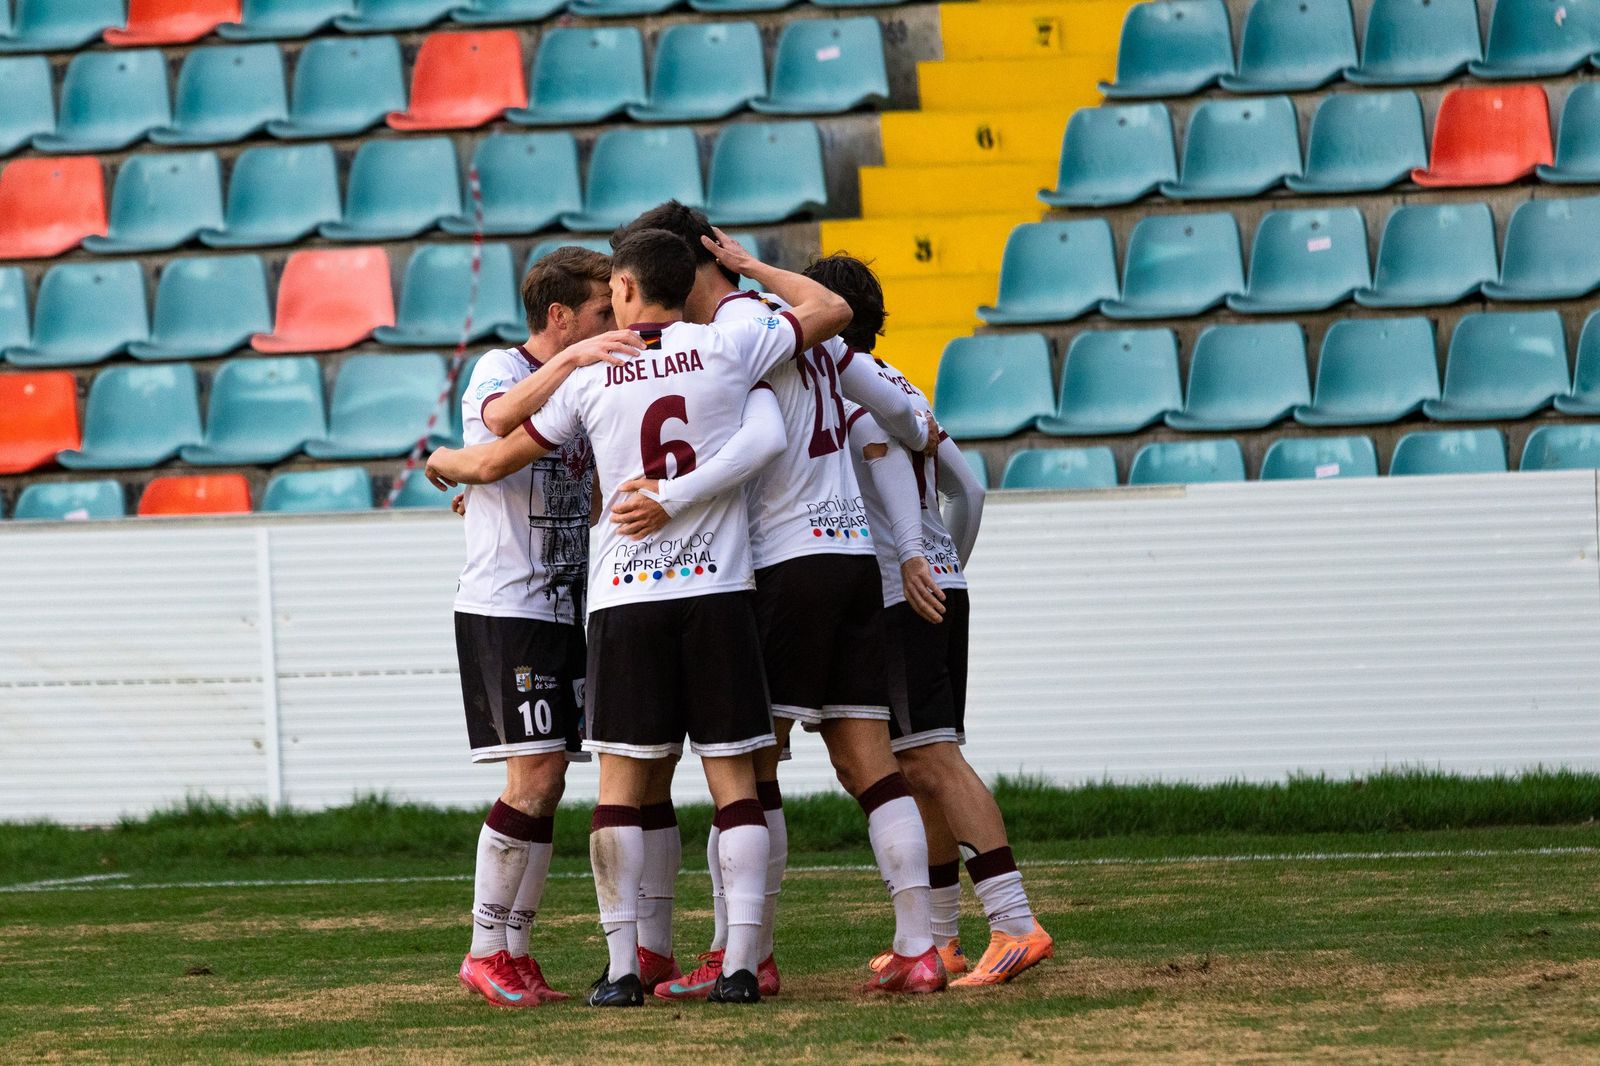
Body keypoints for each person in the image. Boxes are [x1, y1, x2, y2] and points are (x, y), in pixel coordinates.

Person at [426, 228, 853, 1006]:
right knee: (731, 781)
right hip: (686, 591)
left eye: (610, 301)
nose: (604, 322)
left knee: (622, 781)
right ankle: (732, 963)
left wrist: (443, 466)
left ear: (627, 291)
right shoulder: (725, 346)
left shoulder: (599, 378)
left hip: (617, 599)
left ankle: (628, 964)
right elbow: (817, 335)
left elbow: (500, 456)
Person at [606, 204, 952, 997]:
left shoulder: (735, 333)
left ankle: (744, 955)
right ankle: (920, 945)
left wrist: (670, 494)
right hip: (848, 553)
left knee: (747, 768)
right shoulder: (787, 318)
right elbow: (860, 358)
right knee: (868, 758)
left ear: (691, 262)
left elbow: (759, 439)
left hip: (784, 559)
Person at [812, 253, 1056, 988]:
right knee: (922, 763)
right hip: (940, 589)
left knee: (928, 760)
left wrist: (913, 564)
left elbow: (897, 470)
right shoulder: (901, 388)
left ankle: (1015, 923)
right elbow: (970, 490)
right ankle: (944, 939)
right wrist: (950, 566)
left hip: (899, 595)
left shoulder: (847, 396)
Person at [451, 247, 647, 1008]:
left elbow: (586, 496)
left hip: (566, 603)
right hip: (508, 605)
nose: (611, 328)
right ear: (560, 316)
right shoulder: (499, 370)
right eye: (601, 315)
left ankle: (516, 951)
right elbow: (497, 430)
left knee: (553, 780)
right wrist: (577, 364)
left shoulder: (582, 382)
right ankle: (483, 948)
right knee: (530, 779)